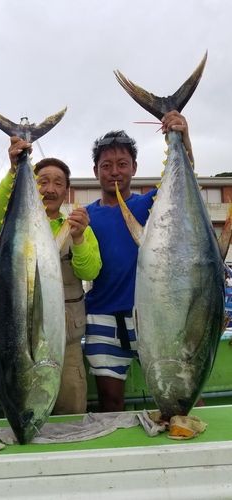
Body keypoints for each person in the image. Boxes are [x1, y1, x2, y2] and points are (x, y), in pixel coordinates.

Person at [83, 111, 202, 412]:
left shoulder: (150, 203)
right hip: (101, 316)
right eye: (106, 165)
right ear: (96, 171)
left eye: (122, 164)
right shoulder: (86, 215)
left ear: (134, 168)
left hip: (154, 317)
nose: (114, 172)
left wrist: (181, 137)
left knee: (183, 386)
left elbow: (183, 183)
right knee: (110, 400)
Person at [0, 138, 102, 415]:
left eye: (58, 183)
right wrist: (15, 168)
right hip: (21, 339)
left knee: (72, 412)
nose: (50, 189)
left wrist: (78, 238)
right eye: (42, 181)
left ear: (66, 191)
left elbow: (90, 271)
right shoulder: (13, 225)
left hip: (68, 344)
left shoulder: (77, 226)